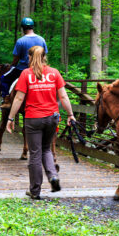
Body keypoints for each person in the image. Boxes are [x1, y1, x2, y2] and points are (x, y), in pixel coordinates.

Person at [6, 46, 75, 200]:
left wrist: (10, 118)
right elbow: (63, 97)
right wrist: (70, 114)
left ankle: (35, 190)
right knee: (46, 150)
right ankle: (53, 177)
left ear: (30, 58)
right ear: (45, 57)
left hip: (33, 118)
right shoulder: (54, 73)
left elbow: (18, 98)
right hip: (52, 117)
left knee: (35, 154)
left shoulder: (26, 74)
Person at [0, 17, 47, 108]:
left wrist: (12, 65)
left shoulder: (20, 41)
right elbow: (44, 55)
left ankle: (6, 100)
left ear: (23, 28)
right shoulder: (42, 40)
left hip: (22, 69)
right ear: (33, 27)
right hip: (40, 68)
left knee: (4, 78)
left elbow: (16, 59)